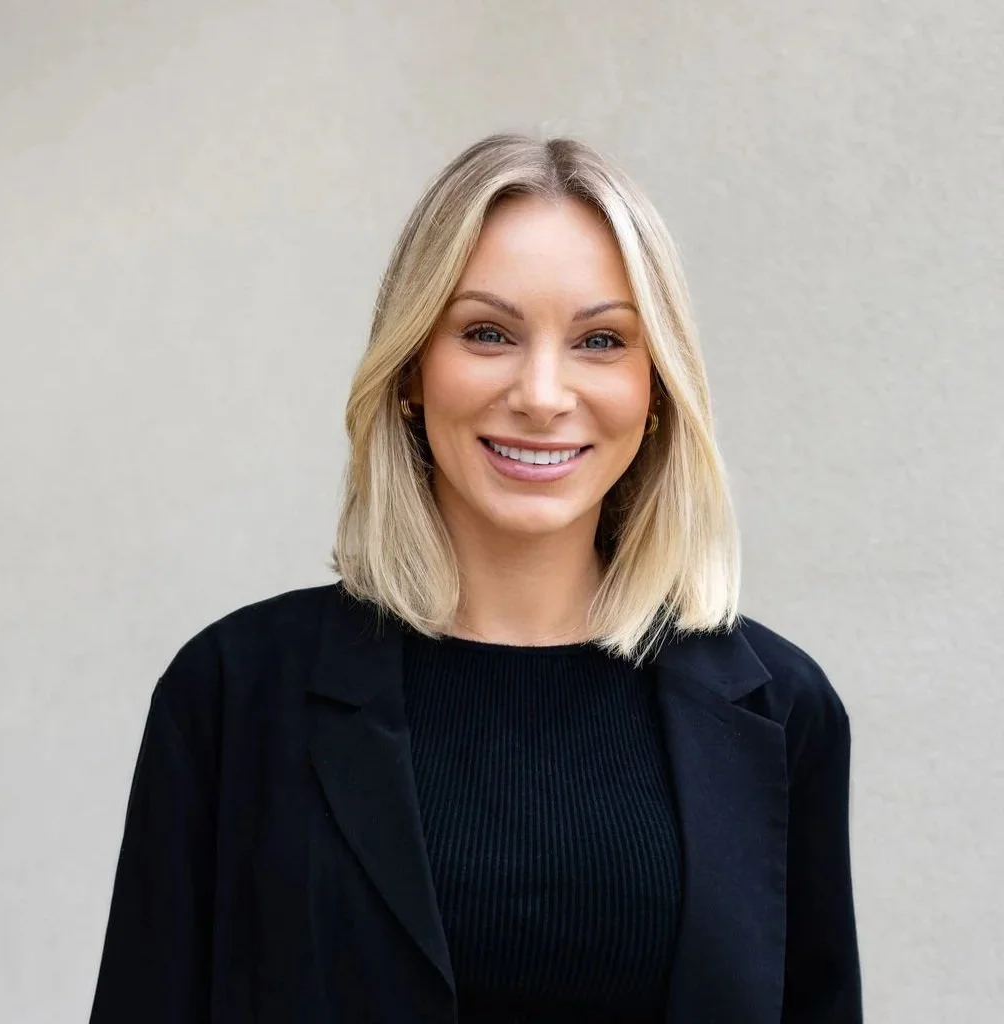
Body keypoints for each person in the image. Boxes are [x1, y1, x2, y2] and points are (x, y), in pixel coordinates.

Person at [90, 133, 862, 1024]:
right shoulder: (232, 693)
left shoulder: (778, 710)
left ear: (656, 390)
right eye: (487, 332)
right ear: (414, 369)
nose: (542, 393)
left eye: (601, 340)